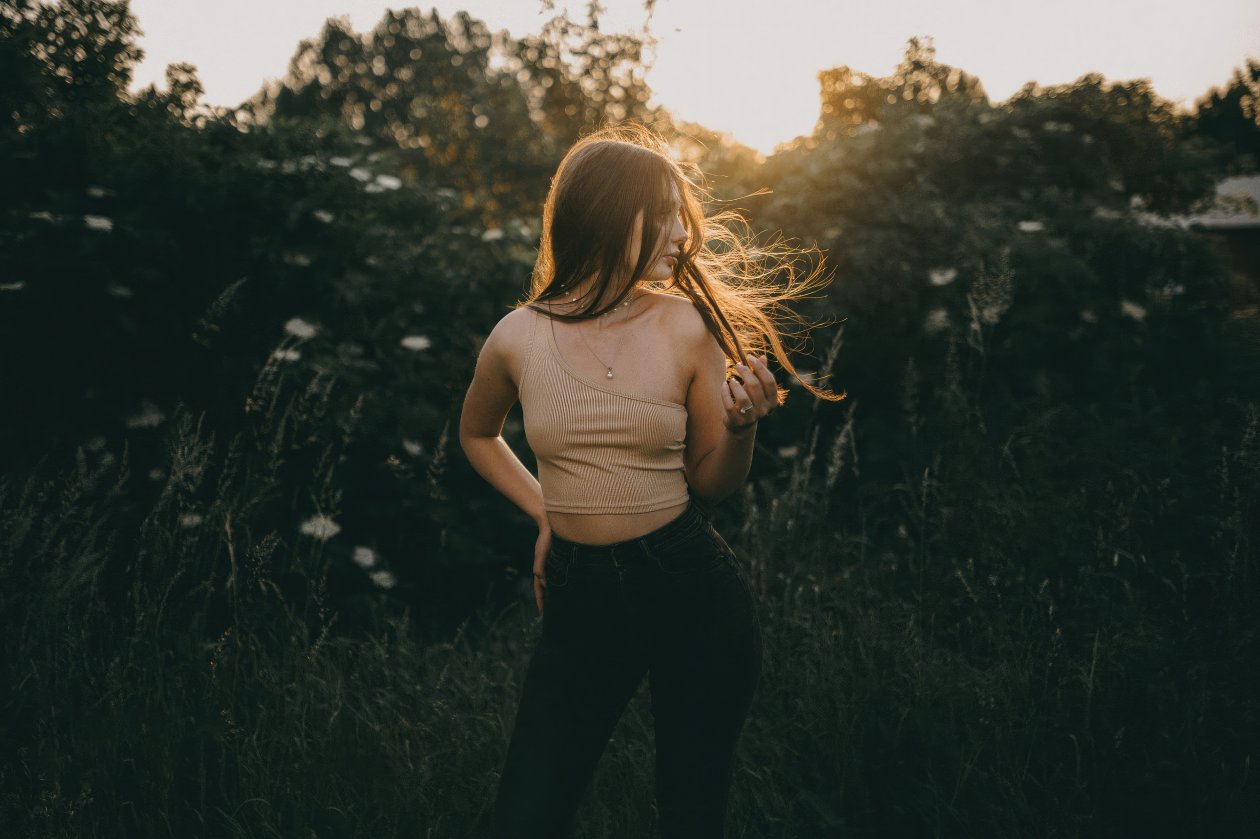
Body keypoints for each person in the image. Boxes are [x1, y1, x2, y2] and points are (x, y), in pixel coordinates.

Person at [459, 122, 844, 838]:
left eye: (683, 214)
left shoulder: (688, 326)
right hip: (580, 594)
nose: (683, 234)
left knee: (691, 813)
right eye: (662, 214)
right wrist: (547, 513)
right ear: (606, 215)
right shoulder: (517, 335)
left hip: (689, 584)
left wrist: (743, 425)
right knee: (525, 815)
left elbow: (714, 484)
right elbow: (476, 435)